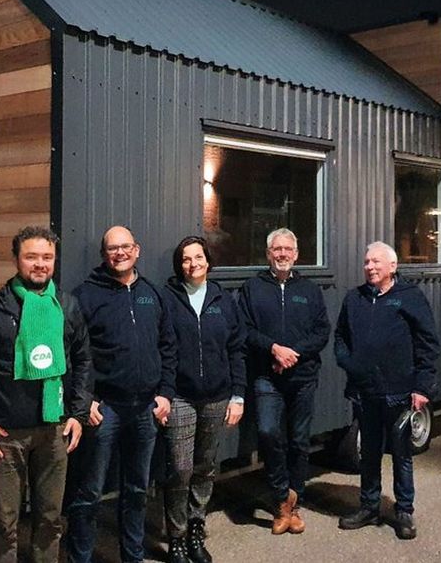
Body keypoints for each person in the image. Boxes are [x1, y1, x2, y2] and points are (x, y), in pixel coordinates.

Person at [0, 226, 93, 563]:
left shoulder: (67, 305)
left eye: (47, 257)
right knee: (4, 523)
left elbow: (83, 360)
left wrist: (77, 413)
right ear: (17, 259)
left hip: (54, 430)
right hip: (6, 434)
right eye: (31, 256)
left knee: (49, 520)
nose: (40, 264)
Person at [66, 225, 177, 563]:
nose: (120, 253)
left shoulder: (152, 294)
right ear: (104, 254)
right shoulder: (84, 296)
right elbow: (70, 355)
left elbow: (168, 347)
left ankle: (132, 556)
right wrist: (86, 400)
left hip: (146, 409)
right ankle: (79, 558)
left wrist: (166, 394)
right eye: (113, 248)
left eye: (125, 247)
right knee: (89, 493)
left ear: (137, 250)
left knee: (137, 491)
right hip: (105, 410)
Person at [334, 241, 440, 540]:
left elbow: (428, 343)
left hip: (400, 391)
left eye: (376, 262)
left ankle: (404, 510)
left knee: (401, 453)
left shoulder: (409, 297)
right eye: (367, 262)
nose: (370, 267)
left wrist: (422, 385)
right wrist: (348, 362)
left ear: (392, 266)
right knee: (368, 453)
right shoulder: (354, 299)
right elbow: (340, 336)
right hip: (364, 392)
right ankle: (369, 507)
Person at [238, 228, 331, 535]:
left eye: (287, 250)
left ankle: (294, 504)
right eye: (276, 249)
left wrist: (294, 354)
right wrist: (274, 350)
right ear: (268, 254)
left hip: (303, 377)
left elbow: (321, 332)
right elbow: (245, 330)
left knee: (300, 440)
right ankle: (281, 496)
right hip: (267, 377)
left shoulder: (310, 290)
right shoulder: (253, 288)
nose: (281, 254)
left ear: (296, 254)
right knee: (267, 432)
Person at [161, 236, 246, 563]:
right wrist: (164, 394)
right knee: (180, 469)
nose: (193, 263)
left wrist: (237, 395)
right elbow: (163, 349)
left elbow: (236, 351)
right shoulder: (168, 298)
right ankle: (177, 537)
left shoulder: (223, 300)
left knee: (205, 467)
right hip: (180, 397)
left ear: (208, 262)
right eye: (186, 259)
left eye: (198, 257)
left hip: (217, 397)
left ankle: (197, 527)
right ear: (179, 264)